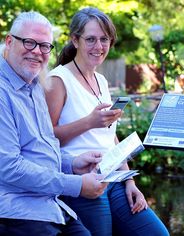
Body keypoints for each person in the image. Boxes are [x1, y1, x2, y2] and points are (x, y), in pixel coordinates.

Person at [44, 7, 169, 236]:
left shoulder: (101, 80)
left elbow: (110, 136)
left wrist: (130, 180)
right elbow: (44, 137)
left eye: (104, 39)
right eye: (90, 39)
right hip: (83, 182)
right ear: (75, 40)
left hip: (116, 179)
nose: (99, 47)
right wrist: (89, 122)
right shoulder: (58, 80)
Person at [0, 11, 109, 235]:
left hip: (49, 205)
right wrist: (76, 185)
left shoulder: (35, 84)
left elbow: (40, 149)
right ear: (9, 42)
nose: (37, 52)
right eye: (29, 43)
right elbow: (9, 168)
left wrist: (72, 163)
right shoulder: (3, 92)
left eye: (44, 46)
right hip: (15, 211)